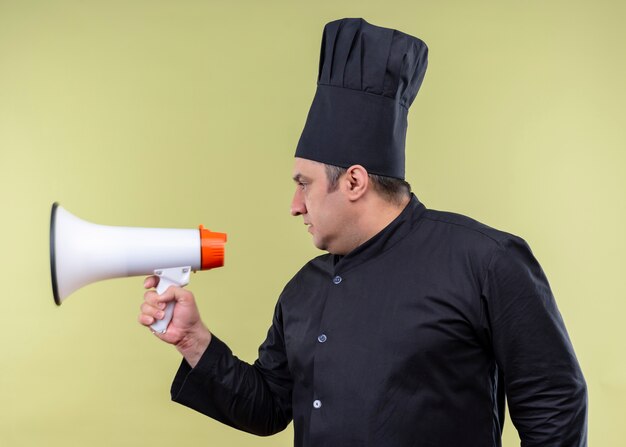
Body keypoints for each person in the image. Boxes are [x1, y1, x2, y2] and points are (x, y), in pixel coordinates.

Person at [139, 18, 587, 447]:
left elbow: (555, 407)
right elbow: (270, 408)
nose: (294, 206)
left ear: (354, 181)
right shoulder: (303, 290)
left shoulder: (487, 260)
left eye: (304, 184)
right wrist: (193, 339)